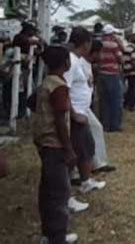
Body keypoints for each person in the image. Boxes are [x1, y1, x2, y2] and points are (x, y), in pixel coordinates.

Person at [29, 46, 78, 243]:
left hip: (43, 142)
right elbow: (60, 120)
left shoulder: (46, 83)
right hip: (55, 144)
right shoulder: (59, 87)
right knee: (59, 193)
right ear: (65, 63)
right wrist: (69, 149)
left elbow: (31, 103)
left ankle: (48, 234)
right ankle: (57, 237)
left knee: (47, 191)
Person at [64, 27, 106, 195]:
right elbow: (63, 90)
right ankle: (77, 184)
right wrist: (74, 114)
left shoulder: (76, 60)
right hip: (76, 113)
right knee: (80, 150)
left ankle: (85, 180)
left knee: (86, 148)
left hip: (81, 111)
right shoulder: (71, 62)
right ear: (86, 43)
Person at [81, 39, 116, 174]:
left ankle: (98, 163)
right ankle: (87, 167)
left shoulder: (88, 64)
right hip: (79, 107)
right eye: (99, 53)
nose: (101, 56)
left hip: (85, 105)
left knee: (96, 128)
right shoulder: (80, 64)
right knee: (86, 135)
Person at [97, 24, 124, 132]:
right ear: (111, 34)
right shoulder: (113, 45)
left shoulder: (99, 43)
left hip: (101, 73)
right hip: (112, 73)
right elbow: (121, 58)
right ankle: (115, 124)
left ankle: (105, 124)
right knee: (116, 100)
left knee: (104, 101)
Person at [123, 33, 135, 111]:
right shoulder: (134, 49)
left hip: (125, 70)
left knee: (130, 88)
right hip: (132, 71)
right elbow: (133, 61)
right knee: (134, 88)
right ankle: (132, 105)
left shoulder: (126, 47)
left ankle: (126, 103)